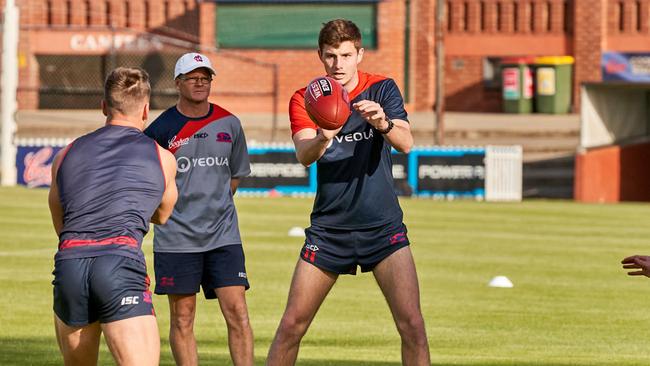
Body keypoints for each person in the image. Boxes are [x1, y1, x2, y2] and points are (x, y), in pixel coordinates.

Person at [266, 19, 431, 366]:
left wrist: (382, 122)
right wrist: (326, 133)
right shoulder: (306, 97)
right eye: (330, 56)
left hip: (383, 228)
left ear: (359, 54)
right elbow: (304, 155)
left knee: (413, 326)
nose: (338, 64)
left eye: (345, 55)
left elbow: (406, 143)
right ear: (320, 57)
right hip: (329, 231)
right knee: (291, 326)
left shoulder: (382, 89)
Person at [48, 67, 178, 366]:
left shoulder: (65, 154)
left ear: (103, 106)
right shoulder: (162, 157)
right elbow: (162, 214)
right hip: (118, 262)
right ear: (146, 109)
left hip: (70, 265)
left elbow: (62, 223)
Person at [144, 52, 253, 366]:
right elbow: (152, 183)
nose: (200, 82)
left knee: (238, 313)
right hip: (177, 239)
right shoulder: (160, 129)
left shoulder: (229, 123)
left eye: (205, 77)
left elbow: (234, 178)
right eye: (193, 77)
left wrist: (214, 206)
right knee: (182, 318)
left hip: (224, 237)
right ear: (178, 83)